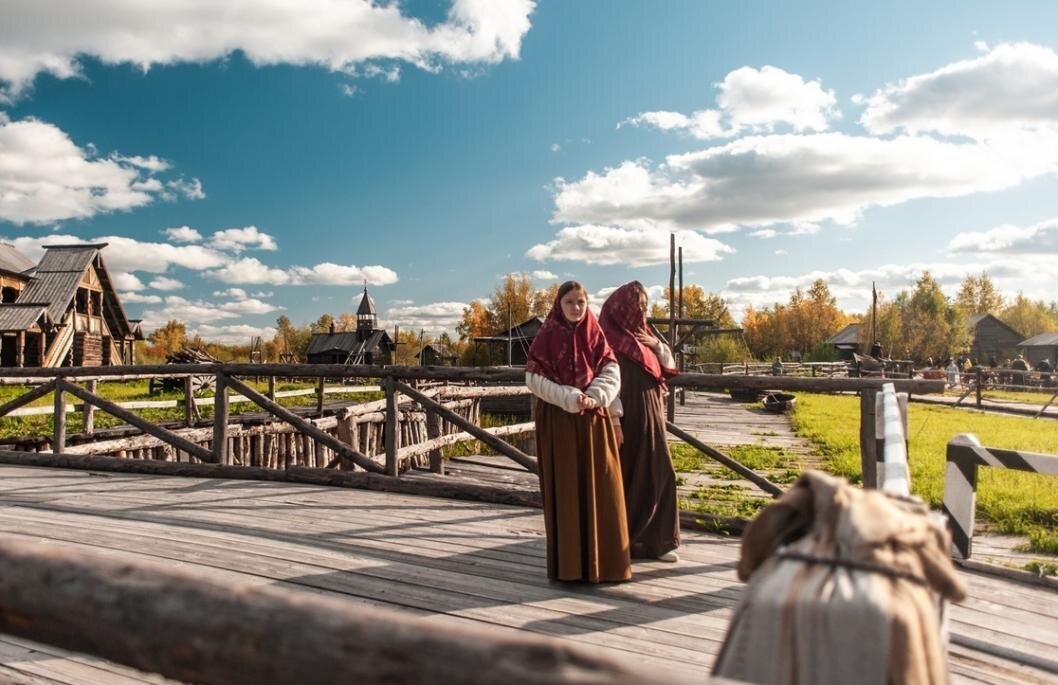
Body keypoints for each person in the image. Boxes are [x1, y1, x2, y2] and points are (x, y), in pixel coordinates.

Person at [525, 280, 631, 583]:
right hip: (560, 421)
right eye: (570, 302)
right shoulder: (547, 336)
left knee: (603, 489)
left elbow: (611, 370)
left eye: (581, 302)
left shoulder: (594, 334)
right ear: (559, 305)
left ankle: (606, 565)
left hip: (594, 421)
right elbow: (534, 379)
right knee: (568, 490)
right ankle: (571, 567)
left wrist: (596, 397)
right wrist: (571, 398)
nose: (576, 308)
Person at [599, 282, 681, 563]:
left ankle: (660, 541)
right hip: (627, 416)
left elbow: (668, 365)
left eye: (646, 306)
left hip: (652, 415)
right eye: (639, 306)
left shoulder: (645, 335)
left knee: (660, 470)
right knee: (630, 477)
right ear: (623, 309)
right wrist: (615, 418)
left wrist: (657, 345)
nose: (644, 311)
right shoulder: (608, 340)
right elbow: (605, 382)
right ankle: (627, 541)